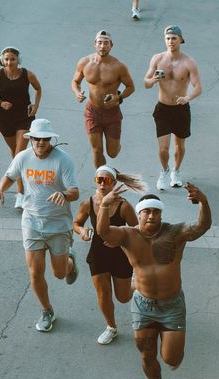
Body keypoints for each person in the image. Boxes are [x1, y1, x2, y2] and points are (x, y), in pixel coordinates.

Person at [97, 182, 211, 379]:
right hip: (143, 304)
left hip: (172, 304)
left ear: (161, 214)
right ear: (138, 215)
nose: (151, 215)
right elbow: (103, 232)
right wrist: (104, 207)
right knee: (146, 353)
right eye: (146, 211)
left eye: (156, 211)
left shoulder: (175, 232)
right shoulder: (128, 235)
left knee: (171, 359)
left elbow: (202, 226)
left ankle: (171, 351)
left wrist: (204, 201)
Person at [0, 119, 79, 332]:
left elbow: (75, 191)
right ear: (31, 139)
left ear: (50, 140)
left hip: (58, 224)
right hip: (31, 222)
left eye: (45, 139)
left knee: (59, 273)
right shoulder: (23, 157)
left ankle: (69, 261)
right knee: (35, 273)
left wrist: (64, 194)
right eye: (37, 139)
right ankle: (47, 310)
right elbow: (10, 175)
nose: (41, 143)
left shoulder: (63, 160)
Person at [73, 165, 146, 344]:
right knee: (103, 293)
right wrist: (82, 231)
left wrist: (120, 239)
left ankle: (137, 282)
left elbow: (137, 231)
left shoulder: (124, 206)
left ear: (113, 183)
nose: (102, 184)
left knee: (123, 297)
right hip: (98, 254)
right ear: (95, 181)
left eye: (106, 180)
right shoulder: (88, 203)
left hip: (120, 254)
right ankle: (111, 327)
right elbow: (76, 223)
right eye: (99, 180)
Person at [144, 26, 202, 191]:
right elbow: (146, 83)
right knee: (163, 148)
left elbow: (198, 87)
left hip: (180, 109)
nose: (171, 41)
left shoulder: (188, 62)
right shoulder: (157, 58)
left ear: (181, 40)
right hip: (162, 109)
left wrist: (187, 97)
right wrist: (153, 79)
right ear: (165, 40)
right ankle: (164, 171)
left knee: (180, 145)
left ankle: (176, 171)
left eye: (174, 38)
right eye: (168, 38)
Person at [71, 30, 135, 167]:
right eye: (99, 42)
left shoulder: (119, 66)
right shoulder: (84, 62)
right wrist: (77, 93)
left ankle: (116, 146)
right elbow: (75, 81)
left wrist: (118, 97)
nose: (102, 46)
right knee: (97, 150)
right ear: (95, 44)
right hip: (92, 112)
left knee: (112, 153)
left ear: (111, 46)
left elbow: (131, 87)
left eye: (106, 43)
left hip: (112, 113)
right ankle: (102, 181)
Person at [0, 46, 42, 210]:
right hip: (6, 119)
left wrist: (36, 105)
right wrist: (0, 103)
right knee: (16, 156)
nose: (10, 62)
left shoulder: (27, 74)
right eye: (7, 59)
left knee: (19, 154)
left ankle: (21, 193)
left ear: (18, 60)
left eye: (13, 59)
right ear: (2, 60)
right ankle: (23, 188)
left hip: (24, 118)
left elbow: (38, 88)